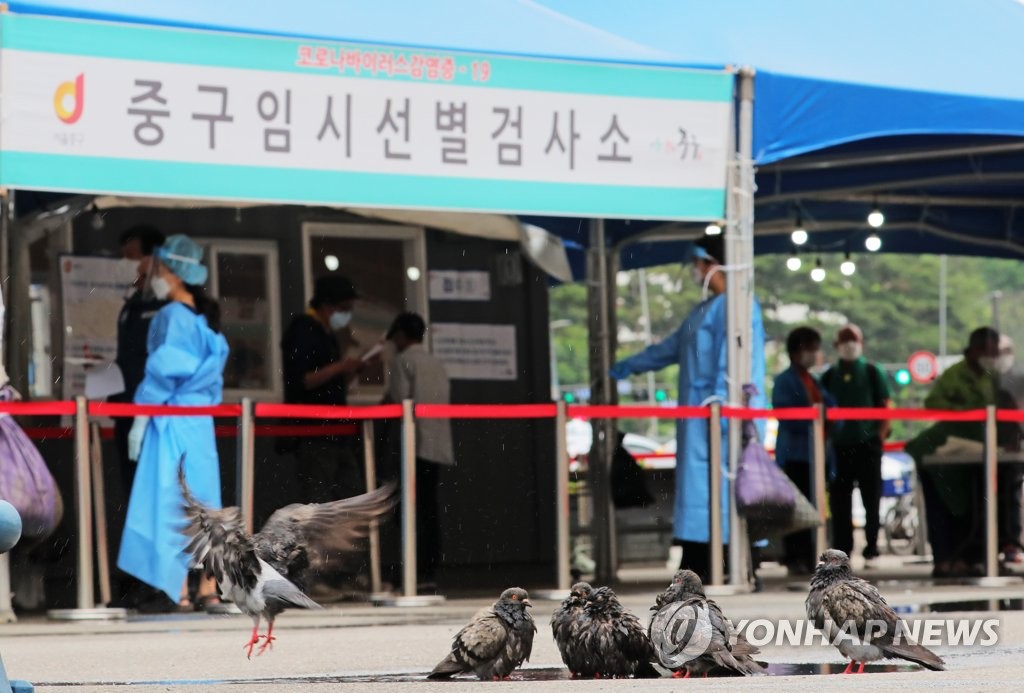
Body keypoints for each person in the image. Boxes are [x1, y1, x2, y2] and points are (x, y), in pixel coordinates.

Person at [609, 235, 766, 583]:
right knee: (699, 495)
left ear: (714, 264)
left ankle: (737, 566)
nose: (696, 271)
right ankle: (700, 567)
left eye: (699, 263)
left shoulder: (739, 306)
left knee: (729, 494)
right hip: (698, 423)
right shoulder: (701, 311)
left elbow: (736, 363)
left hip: (722, 419)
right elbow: (667, 350)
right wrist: (626, 365)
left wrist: (721, 407)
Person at [117, 234, 229, 611]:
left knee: (170, 501)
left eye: (161, 269)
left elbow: (163, 372)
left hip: (171, 420)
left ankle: (177, 589)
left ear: (177, 274)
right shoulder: (205, 319)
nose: (155, 276)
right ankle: (208, 588)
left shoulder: (172, 316)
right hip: (200, 425)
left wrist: (141, 413)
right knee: (203, 502)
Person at [905, 327, 1000, 578]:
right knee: (941, 508)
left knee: (970, 507)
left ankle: (967, 559)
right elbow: (933, 402)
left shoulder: (991, 377)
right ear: (976, 350)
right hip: (940, 453)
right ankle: (945, 559)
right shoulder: (955, 375)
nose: (992, 356)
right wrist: (965, 410)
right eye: (988, 351)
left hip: (972, 455)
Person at [109, 225, 166, 607]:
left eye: (135, 257)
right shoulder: (132, 302)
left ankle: (164, 583)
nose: (130, 266)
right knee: (134, 499)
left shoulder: (171, 307)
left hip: (159, 417)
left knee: (160, 499)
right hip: (128, 412)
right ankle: (137, 581)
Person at [380, 312, 453, 590]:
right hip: (437, 443)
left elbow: (399, 400)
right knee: (429, 509)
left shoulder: (403, 360)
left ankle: (410, 570)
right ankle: (428, 570)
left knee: (409, 509)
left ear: (400, 334)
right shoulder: (436, 362)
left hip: (413, 442)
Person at [281, 275, 366, 503]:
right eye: (344, 308)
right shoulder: (303, 329)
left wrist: (349, 372)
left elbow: (330, 384)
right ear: (327, 306)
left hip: (336, 432)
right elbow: (304, 381)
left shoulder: (327, 333)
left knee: (349, 499)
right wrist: (340, 366)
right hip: (314, 432)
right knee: (318, 503)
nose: (347, 315)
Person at [820, 324, 891, 566]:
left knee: (872, 500)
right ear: (836, 344)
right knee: (840, 502)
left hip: (867, 446)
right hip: (839, 448)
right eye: (845, 339)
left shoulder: (872, 372)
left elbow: (885, 405)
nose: (850, 344)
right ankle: (842, 552)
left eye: (854, 338)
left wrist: (879, 437)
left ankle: (872, 547)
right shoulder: (829, 376)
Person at [772, 326, 832, 575]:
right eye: (810, 348)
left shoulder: (813, 381)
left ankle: (811, 556)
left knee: (814, 509)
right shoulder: (784, 381)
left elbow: (830, 405)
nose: (814, 354)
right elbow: (786, 415)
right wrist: (813, 419)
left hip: (815, 456)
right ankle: (795, 556)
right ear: (797, 351)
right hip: (795, 454)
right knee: (796, 511)